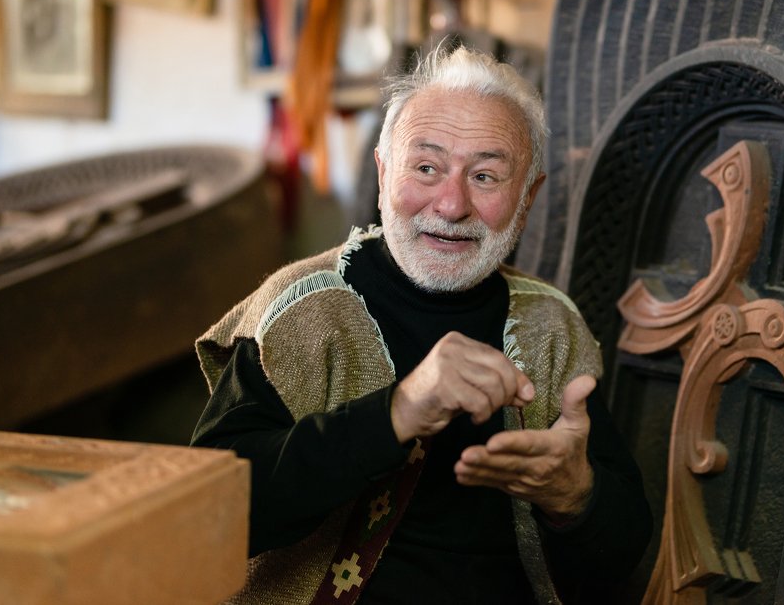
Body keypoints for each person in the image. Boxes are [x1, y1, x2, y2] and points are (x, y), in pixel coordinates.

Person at [191, 43, 652, 604]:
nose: (451, 204)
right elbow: (212, 512)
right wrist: (398, 411)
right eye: (427, 167)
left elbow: (622, 553)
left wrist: (575, 494)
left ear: (527, 196)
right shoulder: (301, 309)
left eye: (485, 176)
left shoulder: (552, 325)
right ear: (385, 174)